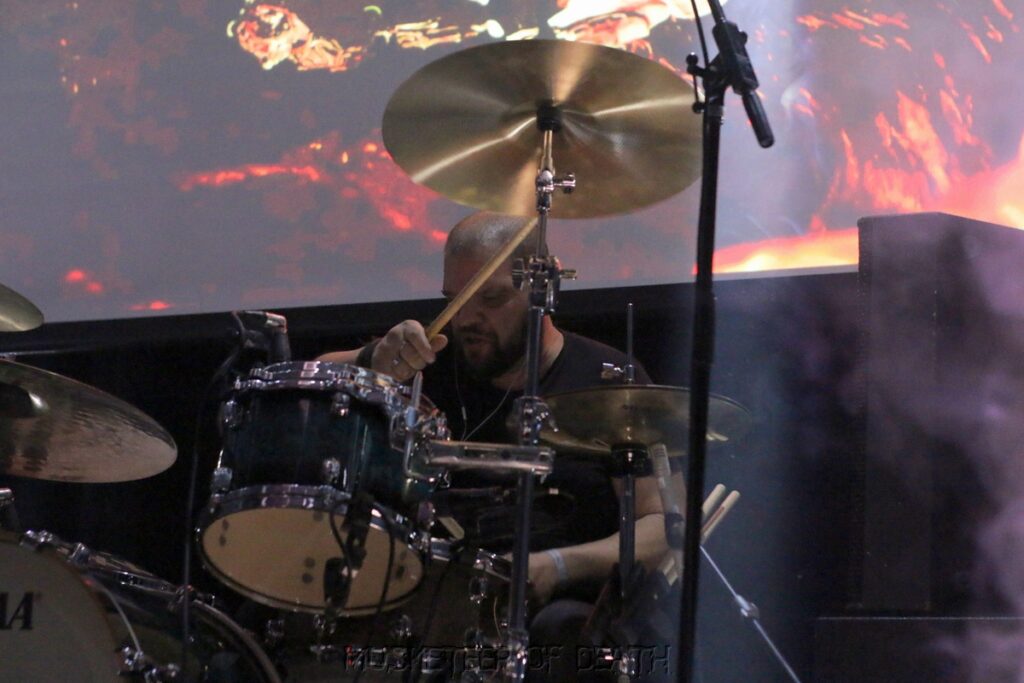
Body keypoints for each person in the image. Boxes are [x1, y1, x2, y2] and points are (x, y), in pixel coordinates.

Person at [318, 210, 668, 678]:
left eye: (492, 298)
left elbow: (661, 525)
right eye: (455, 300)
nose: (467, 319)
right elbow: (317, 377)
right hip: (429, 606)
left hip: (556, 617)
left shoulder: (609, 381)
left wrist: (557, 566)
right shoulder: (430, 362)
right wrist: (373, 357)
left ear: (544, 289)